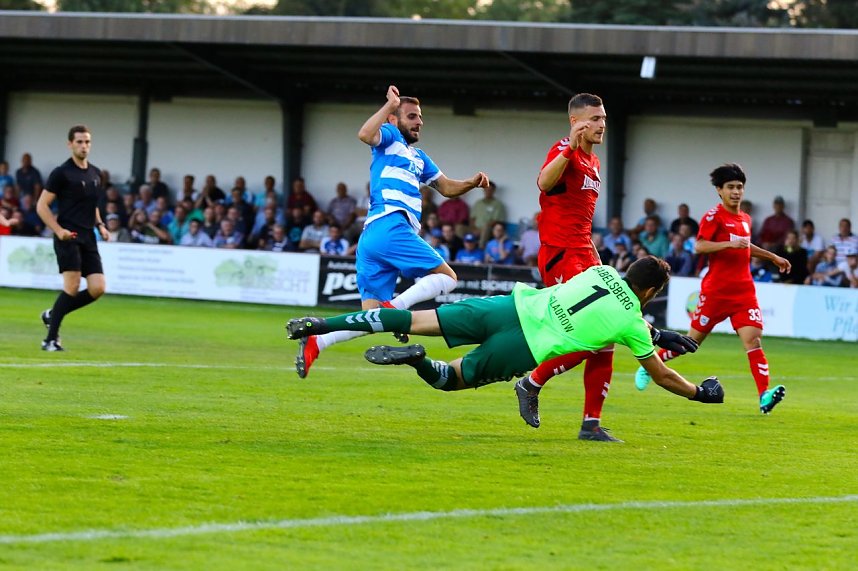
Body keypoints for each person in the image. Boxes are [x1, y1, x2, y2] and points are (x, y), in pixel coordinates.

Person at [286, 257, 721, 435]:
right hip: (524, 348)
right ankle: (419, 363)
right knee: (451, 379)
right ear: (652, 293)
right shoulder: (633, 323)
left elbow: (606, 305)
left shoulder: (600, 269)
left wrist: (653, 331)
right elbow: (661, 374)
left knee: (409, 318)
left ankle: (321, 324)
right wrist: (700, 392)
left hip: (508, 306)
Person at [293, 84, 489, 379]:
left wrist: (471, 182)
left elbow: (446, 187)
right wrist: (389, 106)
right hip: (391, 224)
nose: (419, 122)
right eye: (412, 116)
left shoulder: (420, 157)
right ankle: (398, 311)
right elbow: (364, 134)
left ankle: (317, 340)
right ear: (394, 120)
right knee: (447, 278)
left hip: (372, 238)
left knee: (370, 318)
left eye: (420, 117)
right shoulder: (390, 137)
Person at [635, 163, 790, 415]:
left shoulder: (745, 219)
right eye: (730, 187)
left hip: (743, 293)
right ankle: (650, 366)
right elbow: (700, 247)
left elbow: (745, 247)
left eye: (739, 187)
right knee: (691, 343)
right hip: (715, 293)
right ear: (719, 190)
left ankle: (764, 396)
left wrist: (772, 257)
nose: (736, 192)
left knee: (753, 340)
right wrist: (729, 244)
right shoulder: (713, 217)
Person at [517, 92, 620, 441]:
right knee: (588, 333)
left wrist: (598, 264)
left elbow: (582, 220)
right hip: (560, 253)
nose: (601, 124)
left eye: (603, 118)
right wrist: (567, 150)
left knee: (606, 338)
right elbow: (544, 183)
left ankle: (591, 424)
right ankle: (531, 382)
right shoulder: (565, 149)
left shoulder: (594, 162)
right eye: (594, 118)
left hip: (584, 254)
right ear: (575, 122)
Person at [35, 125, 109, 351]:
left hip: (89, 236)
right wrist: (59, 231)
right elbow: (42, 206)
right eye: (79, 142)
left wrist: (101, 225)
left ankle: (52, 314)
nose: (84, 146)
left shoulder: (96, 173)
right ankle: (50, 340)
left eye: (87, 142)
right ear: (70, 144)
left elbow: (92, 204)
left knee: (98, 288)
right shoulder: (62, 173)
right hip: (68, 236)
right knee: (73, 285)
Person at [470, 180, 507, 247]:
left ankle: (481, 249)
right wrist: (474, 229)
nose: (488, 191)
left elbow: (496, 221)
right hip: (476, 228)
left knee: (486, 228)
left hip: (489, 230)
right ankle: (461, 251)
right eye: (486, 189)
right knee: (460, 228)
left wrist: (481, 230)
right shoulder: (478, 203)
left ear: (494, 191)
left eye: (490, 190)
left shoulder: (498, 204)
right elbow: (472, 218)